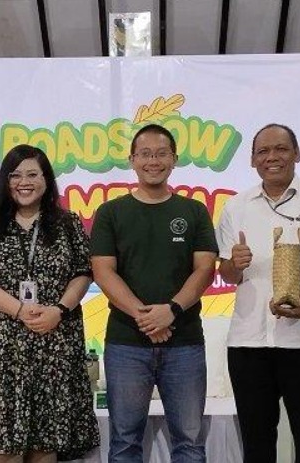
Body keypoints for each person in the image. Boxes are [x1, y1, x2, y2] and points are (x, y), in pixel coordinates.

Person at [0, 144, 99, 462]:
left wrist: (59, 310)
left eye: (33, 174)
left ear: (46, 180)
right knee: (4, 447)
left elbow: (83, 272)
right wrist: (19, 310)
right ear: (5, 181)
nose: (24, 182)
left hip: (55, 341)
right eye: (16, 175)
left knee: (45, 445)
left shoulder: (67, 223)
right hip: (2, 347)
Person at [90, 123, 218, 462]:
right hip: (126, 344)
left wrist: (171, 310)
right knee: (124, 442)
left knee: (189, 443)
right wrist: (146, 317)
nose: (153, 161)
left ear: (174, 159)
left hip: (185, 342)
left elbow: (205, 269)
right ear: (132, 160)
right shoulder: (111, 212)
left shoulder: (194, 211)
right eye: (145, 154)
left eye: (161, 154)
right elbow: (103, 272)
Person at [216, 124, 300, 463]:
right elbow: (227, 273)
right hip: (248, 342)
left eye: (281, 149)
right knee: (256, 443)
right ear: (252, 160)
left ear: (297, 154)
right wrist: (234, 264)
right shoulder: (236, 206)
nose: (272, 157)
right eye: (263, 151)